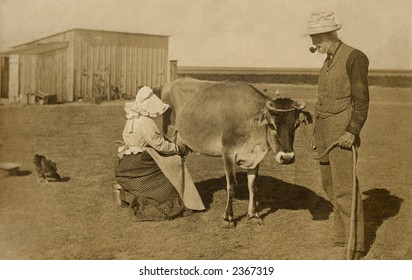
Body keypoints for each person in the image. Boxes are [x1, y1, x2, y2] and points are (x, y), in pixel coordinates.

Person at [304, 12, 370, 259]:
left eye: (316, 38)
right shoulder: (328, 59)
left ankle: (355, 244)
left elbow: (361, 100)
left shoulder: (354, 57)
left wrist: (352, 131)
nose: (314, 44)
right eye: (312, 38)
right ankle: (341, 236)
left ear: (329, 35)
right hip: (324, 134)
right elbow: (324, 101)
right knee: (330, 187)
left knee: (345, 189)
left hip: (342, 134)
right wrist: (315, 134)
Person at [114, 86, 205, 221]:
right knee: (173, 166)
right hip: (139, 161)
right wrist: (176, 148)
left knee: (166, 164)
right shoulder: (145, 122)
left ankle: (121, 190)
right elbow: (159, 144)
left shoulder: (132, 118)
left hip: (125, 161)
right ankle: (180, 203)